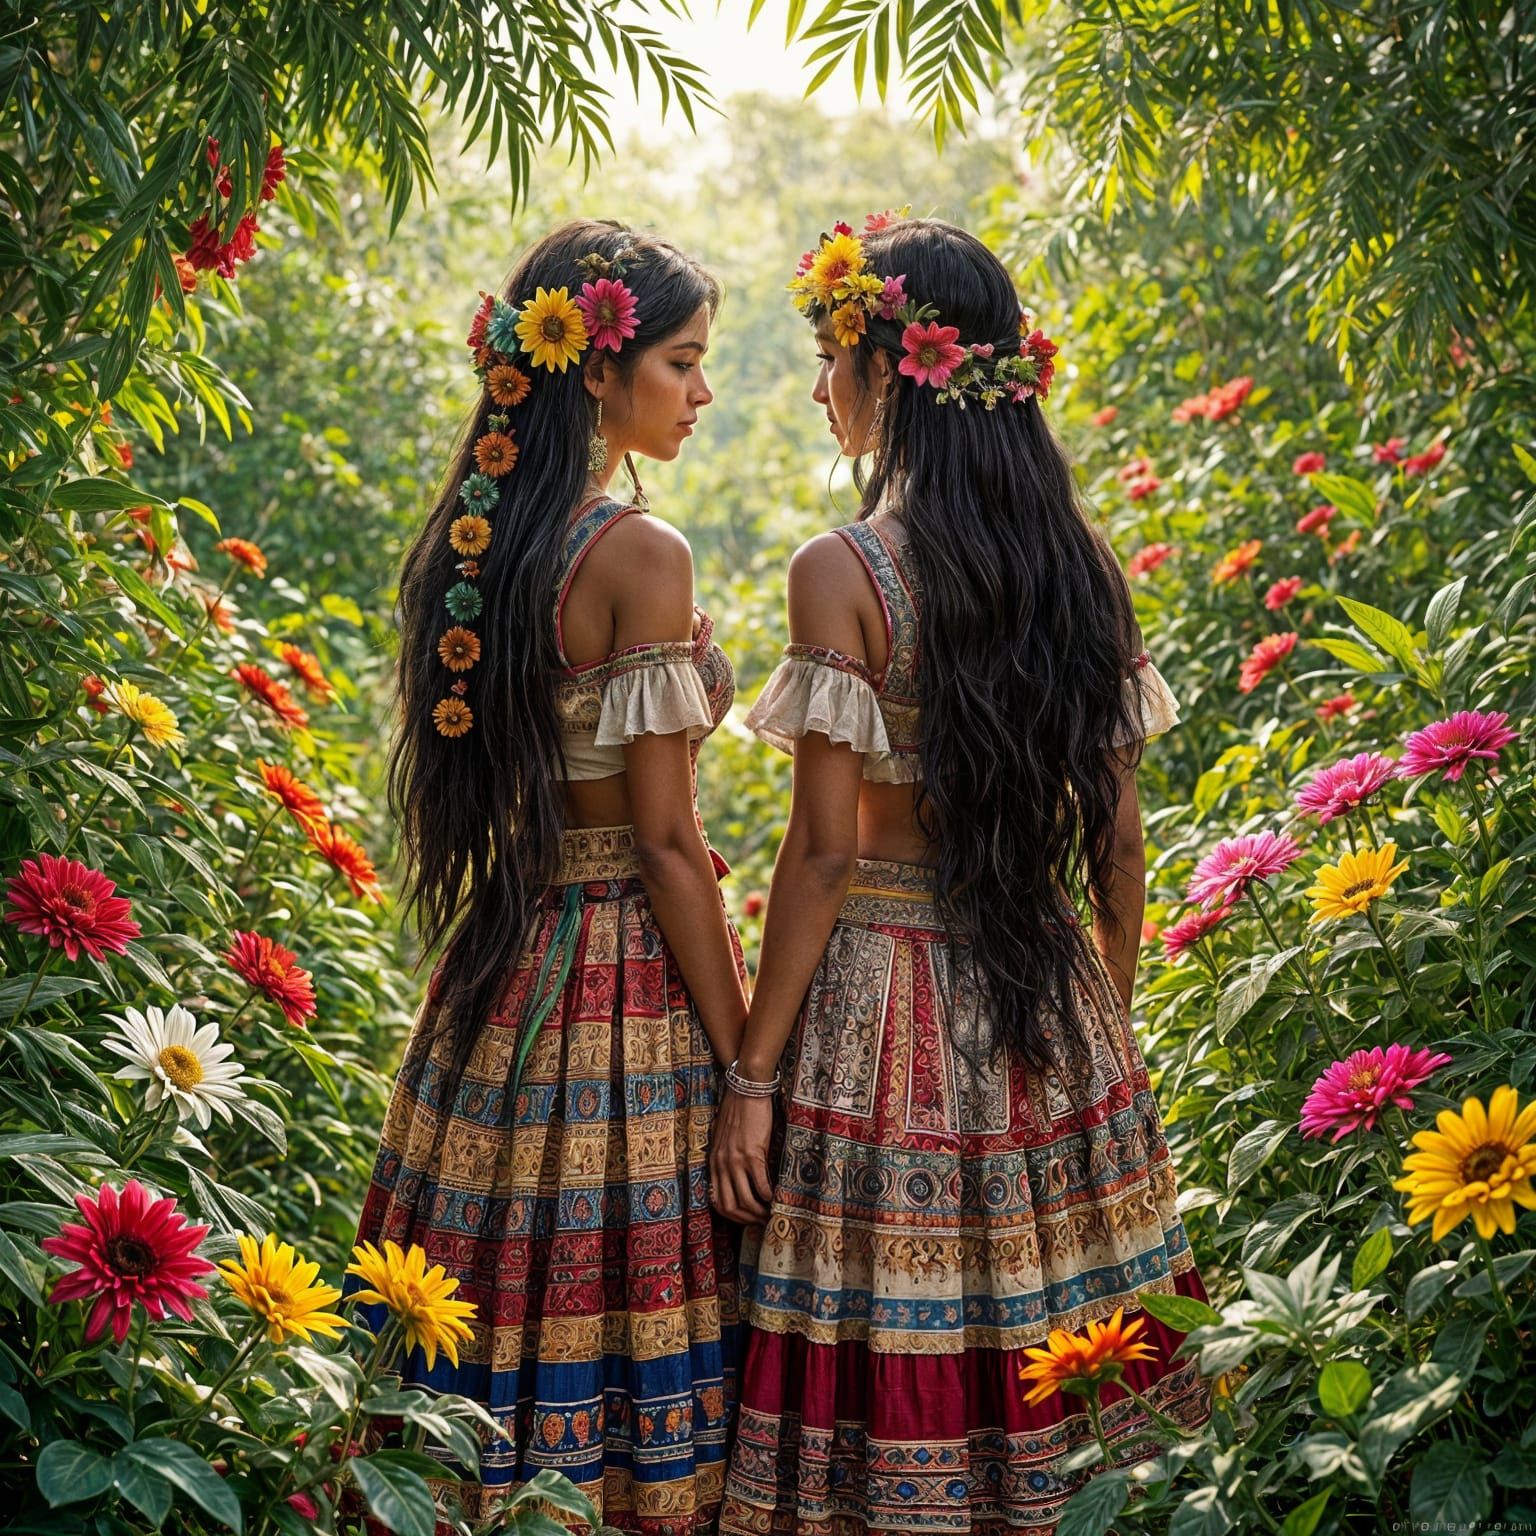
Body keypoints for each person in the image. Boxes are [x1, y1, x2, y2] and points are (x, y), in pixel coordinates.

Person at [711, 213, 1214, 1535]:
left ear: (889, 368)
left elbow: (824, 852)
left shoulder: (847, 572)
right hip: (1049, 987)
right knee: (1066, 1321)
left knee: (890, 1314)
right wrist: (1104, 1026)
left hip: (882, 999)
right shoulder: (1081, 566)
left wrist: (752, 1078)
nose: (820, 391)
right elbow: (1118, 843)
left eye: (828, 361)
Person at [351, 219, 748, 1533]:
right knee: (634, 1291)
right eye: (682, 362)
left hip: (504, 962)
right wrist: (750, 1060)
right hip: (622, 971)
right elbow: (668, 843)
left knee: (484, 1272)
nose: (702, 393)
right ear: (597, 370)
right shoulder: (640, 553)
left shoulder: (483, 542)